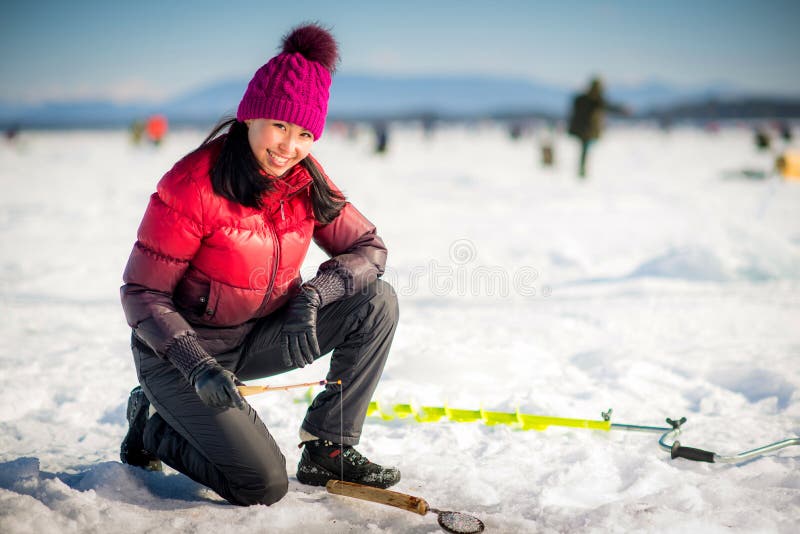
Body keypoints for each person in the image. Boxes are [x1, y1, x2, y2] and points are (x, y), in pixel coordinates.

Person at [118, 24, 400, 507]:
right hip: (180, 359)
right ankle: (151, 427)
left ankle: (327, 448)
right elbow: (142, 294)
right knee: (262, 486)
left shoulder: (304, 180)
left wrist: (315, 295)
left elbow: (370, 249)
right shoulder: (192, 184)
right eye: (280, 127)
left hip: (257, 338)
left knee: (376, 301)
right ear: (251, 117)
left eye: (305, 133)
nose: (289, 146)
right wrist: (196, 365)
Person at [567, 77, 628, 178]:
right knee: (585, 149)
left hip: (582, 130)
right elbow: (609, 107)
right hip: (588, 131)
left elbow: (575, 105)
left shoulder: (582, 98)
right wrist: (622, 110)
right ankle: (582, 170)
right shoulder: (596, 101)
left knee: (584, 149)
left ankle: (582, 169)